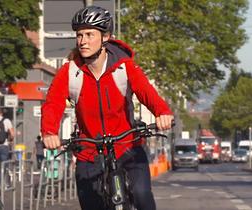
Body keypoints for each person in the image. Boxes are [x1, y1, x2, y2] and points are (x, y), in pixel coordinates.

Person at [40, 6, 174, 210]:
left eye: (89, 34)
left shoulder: (123, 66)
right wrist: (49, 132)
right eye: (79, 35)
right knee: (90, 204)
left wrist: (163, 113)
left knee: (142, 195)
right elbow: (53, 103)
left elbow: (147, 92)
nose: (83, 41)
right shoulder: (70, 71)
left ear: (105, 37)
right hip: (89, 151)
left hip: (127, 146)